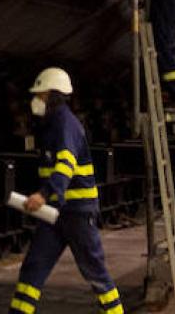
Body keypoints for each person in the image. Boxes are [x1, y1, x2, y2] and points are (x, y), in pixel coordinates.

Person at [13, 69, 124, 314]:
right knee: (33, 267)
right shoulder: (52, 124)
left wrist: (43, 194)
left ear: (52, 95)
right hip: (55, 213)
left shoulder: (65, 124)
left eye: (40, 95)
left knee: (95, 272)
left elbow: (65, 165)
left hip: (77, 214)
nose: (36, 100)